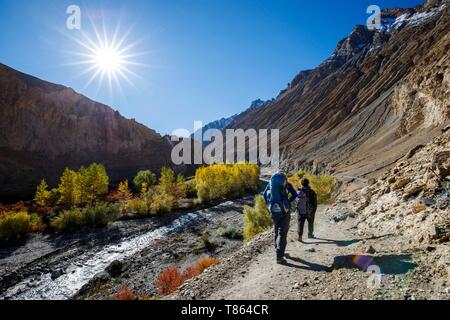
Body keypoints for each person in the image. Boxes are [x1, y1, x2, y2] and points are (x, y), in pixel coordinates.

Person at [263, 172, 297, 264]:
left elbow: (264, 194)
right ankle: (279, 256)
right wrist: (288, 202)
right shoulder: (287, 184)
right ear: (284, 178)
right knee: (282, 233)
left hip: (273, 211)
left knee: (276, 230)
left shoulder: (270, 183)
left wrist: (269, 205)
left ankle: (277, 248)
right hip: (284, 211)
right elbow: (294, 194)